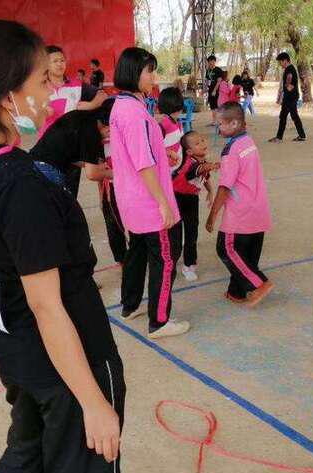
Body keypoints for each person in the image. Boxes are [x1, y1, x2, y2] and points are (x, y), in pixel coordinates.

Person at [0, 20, 124, 473]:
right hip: (63, 360)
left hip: (19, 348)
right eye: (44, 80)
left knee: (26, 457)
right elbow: (47, 305)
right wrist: (94, 402)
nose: (53, 92)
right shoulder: (19, 182)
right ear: (9, 98)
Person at [110, 47, 189, 339]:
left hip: (132, 198)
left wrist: (160, 152)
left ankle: (130, 305)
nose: (153, 77)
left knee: (138, 251)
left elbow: (138, 151)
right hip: (147, 200)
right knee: (165, 258)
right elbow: (143, 163)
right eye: (149, 71)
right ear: (134, 73)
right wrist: (163, 203)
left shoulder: (123, 105)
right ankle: (160, 321)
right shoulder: (134, 112)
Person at [206, 102, 274, 306]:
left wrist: (212, 216)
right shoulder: (248, 141)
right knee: (245, 255)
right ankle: (236, 292)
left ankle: (259, 283)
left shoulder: (231, 150)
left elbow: (224, 187)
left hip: (240, 212)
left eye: (221, 124)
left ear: (234, 123)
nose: (218, 128)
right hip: (258, 209)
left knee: (225, 249)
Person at [29, 101, 114, 198]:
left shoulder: (81, 116)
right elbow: (92, 174)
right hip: (47, 169)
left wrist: (94, 163)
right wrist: (119, 174)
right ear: (108, 128)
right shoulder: (91, 131)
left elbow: (70, 154)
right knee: (62, 203)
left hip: (33, 164)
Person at [174, 131, 216, 282]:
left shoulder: (202, 161)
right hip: (176, 198)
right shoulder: (191, 165)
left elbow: (205, 175)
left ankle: (189, 265)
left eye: (202, 140)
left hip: (191, 199)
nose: (203, 143)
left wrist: (210, 191)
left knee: (192, 232)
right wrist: (215, 165)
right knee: (175, 235)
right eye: (197, 143)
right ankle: (170, 260)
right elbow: (200, 170)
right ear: (189, 152)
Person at [41, 45, 108, 135]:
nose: (59, 64)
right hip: (48, 139)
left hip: (73, 138)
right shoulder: (38, 88)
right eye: (55, 61)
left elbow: (103, 95)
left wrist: (91, 104)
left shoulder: (77, 85)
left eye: (62, 60)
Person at [100, 137, 127, 264]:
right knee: (113, 223)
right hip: (110, 186)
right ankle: (122, 258)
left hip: (132, 182)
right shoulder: (96, 141)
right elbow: (96, 172)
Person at [268, 52, 305, 143]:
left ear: (285, 60)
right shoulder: (290, 69)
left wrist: (285, 89)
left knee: (288, 116)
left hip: (290, 98)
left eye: (280, 62)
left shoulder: (289, 70)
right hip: (290, 97)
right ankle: (300, 135)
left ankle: (280, 137)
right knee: (287, 116)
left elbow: (290, 86)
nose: (280, 64)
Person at [158, 87, 185, 173]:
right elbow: (154, 146)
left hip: (176, 168)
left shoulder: (178, 121)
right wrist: (168, 152)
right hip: (167, 170)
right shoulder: (164, 122)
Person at [205, 55, 222, 126]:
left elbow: (219, 81)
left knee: (216, 106)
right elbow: (207, 80)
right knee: (212, 106)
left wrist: (215, 90)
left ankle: (219, 121)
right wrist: (205, 89)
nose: (210, 63)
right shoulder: (208, 70)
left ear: (214, 61)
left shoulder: (218, 70)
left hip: (217, 90)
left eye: (211, 61)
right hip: (210, 90)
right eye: (209, 61)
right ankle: (214, 121)